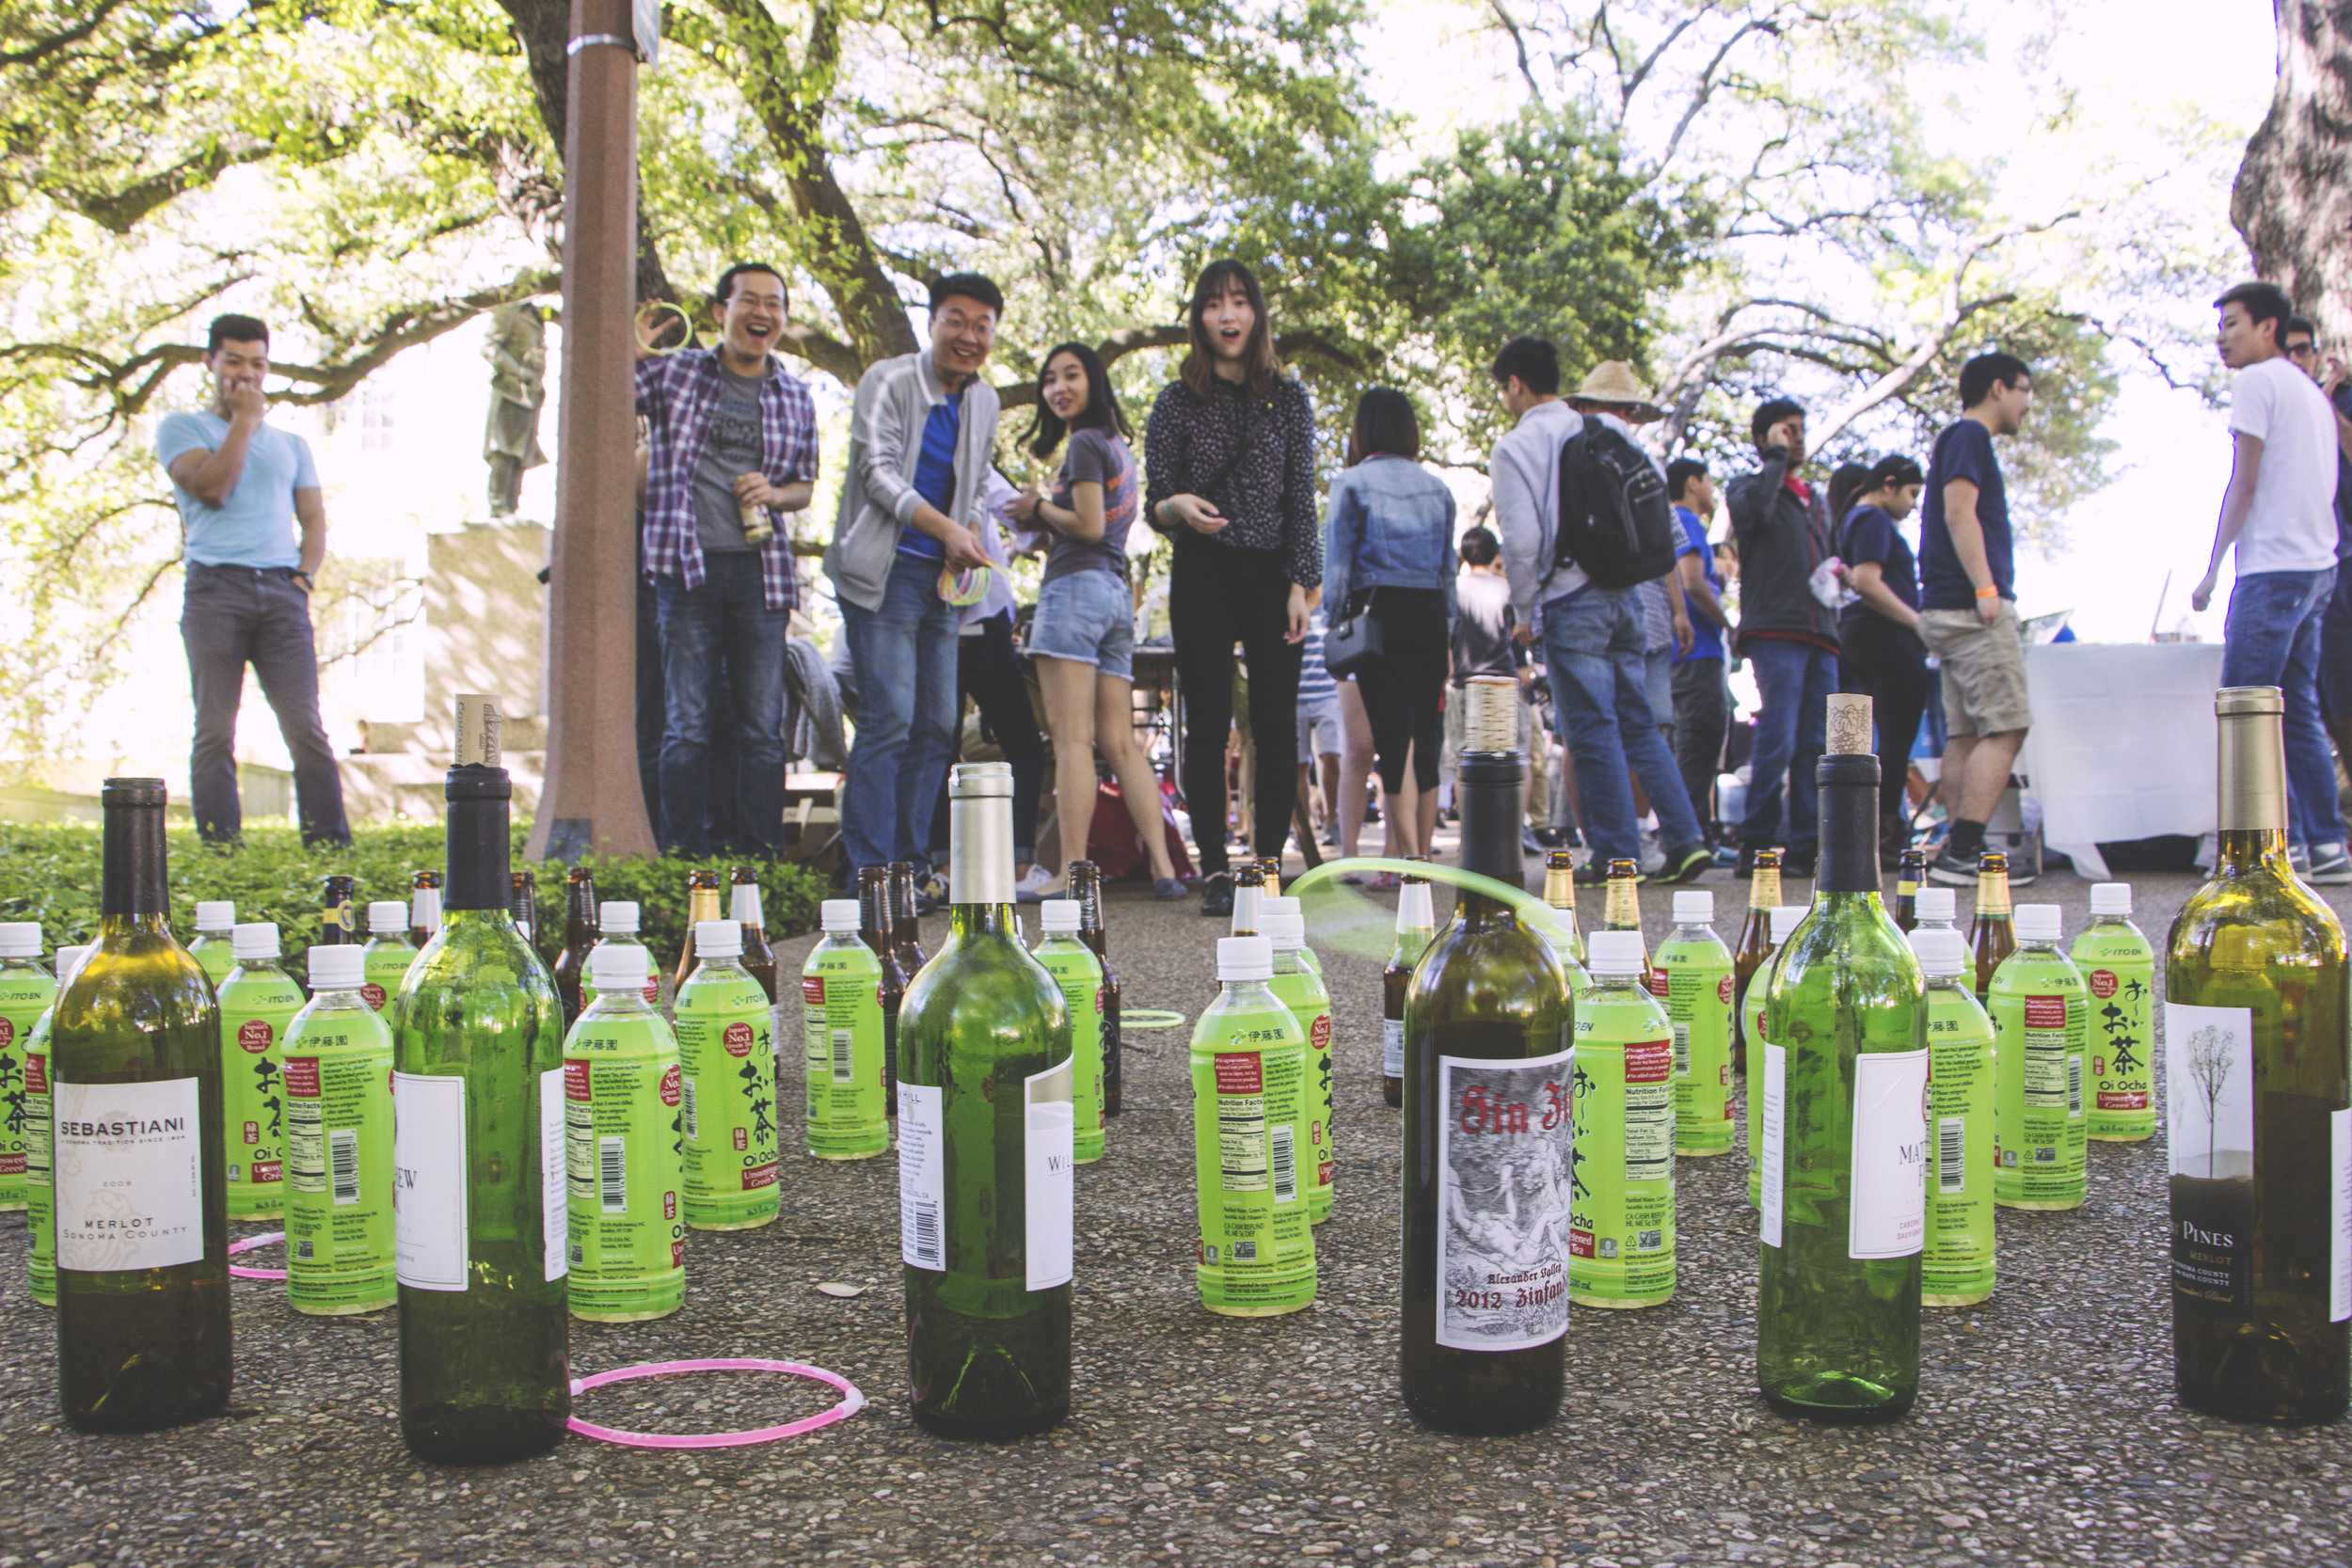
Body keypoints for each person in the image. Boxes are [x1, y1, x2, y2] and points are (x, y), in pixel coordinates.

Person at [1489, 338, 1709, 885]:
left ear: (1515, 383)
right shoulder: (1603, 429)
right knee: (1639, 725)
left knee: (1591, 731)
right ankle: (1685, 839)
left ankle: (1617, 856)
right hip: (1627, 594)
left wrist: (1523, 611)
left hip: (1570, 597)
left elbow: (1520, 541)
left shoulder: (1517, 446)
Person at [1143, 260, 1319, 915]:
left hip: (1272, 570)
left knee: (1275, 725)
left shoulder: (1289, 398)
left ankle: (1268, 865)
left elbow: (1301, 497)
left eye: (1240, 302)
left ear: (1257, 313)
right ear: (1198, 317)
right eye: (1215, 304)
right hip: (1203, 568)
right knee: (1208, 723)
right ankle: (1215, 869)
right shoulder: (1176, 400)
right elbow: (1154, 500)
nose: (1228, 316)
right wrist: (1178, 507)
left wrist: (1303, 582)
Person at [635, 261, 818, 858]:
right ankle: (682, 854)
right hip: (685, 568)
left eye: (774, 303)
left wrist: (774, 492)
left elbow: (804, 489)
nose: (762, 313)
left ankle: (759, 856)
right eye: (750, 301)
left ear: (783, 320)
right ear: (721, 312)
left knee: (762, 730)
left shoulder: (795, 394)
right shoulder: (677, 374)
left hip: (761, 576)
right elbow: (609, 388)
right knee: (685, 726)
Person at [828, 272, 1004, 895]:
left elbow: (978, 484)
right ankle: (868, 872)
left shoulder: (986, 401)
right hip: (882, 571)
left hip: (941, 579)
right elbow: (876, 472)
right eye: (956, 320)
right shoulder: (889, 379)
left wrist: (969, 535)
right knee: (890, 718)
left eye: (982, 326)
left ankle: (908, 865)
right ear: (931, 323)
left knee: (937, 725)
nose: (968, 336)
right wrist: (946, 530)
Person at [157, 313, 351, 847]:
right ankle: (222, 844)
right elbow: (213, 488)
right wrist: (243, 422)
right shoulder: (183, 429)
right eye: (235, 362)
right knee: (216, 727)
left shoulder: (291, 445)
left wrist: (305, 578)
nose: (247, 375)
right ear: (210, 362)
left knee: (305, 725)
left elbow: (312, 520)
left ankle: (327, 840)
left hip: (281, 592)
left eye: (258, 364)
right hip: (215, 590)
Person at [1013, 342, 1184, 900]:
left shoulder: (1085, 444)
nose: (1058, 387)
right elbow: (1100, 527)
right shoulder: (1117, 446)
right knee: (1121, 742)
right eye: (1049, 379)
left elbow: (1085, 525)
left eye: (1072, 375)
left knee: (1071, 742)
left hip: (1075, 592)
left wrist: (1036, 508)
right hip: (1114, 596)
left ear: (1095, 382)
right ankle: (1162, 867)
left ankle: (1072, 873)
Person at [2190, 282, 2349, 883]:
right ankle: (2323, 844)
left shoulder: (2257, 382)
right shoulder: (2309, 392)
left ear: (2268, 328)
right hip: (2319, 568)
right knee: (2298, 709)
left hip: (2274, 568)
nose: (2222, 336)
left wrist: (2211, 569)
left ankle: (2251, 851)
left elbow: (2245, 481)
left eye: (2233, 323)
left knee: (2243, 708)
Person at [1916, 352, 2035, 886]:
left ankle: (1951, 847)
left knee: (1965, 734)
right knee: (2007, 724)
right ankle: (1965, 851)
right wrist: (1986, 588)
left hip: (1947, 606)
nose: (2026, 404)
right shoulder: (1968, 437)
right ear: (1996, 389)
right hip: (1970, 607)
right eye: (2023, 390)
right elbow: (1959, 512)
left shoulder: (1956, 440)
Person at [1324, 387, 1455, 861]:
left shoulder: (1351, 483)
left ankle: (1410, 859)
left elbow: (1337, 569)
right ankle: (1420, 849)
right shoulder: (1437, 487)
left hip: (1377, 615)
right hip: (1429, 615)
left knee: (1391, 739)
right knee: (1425, 735)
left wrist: (1333, 626)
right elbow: (1448, 572)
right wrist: (1449, 632)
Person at [1724, 396, 1839, 878]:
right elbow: (1754, 518)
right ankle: (1758, 840)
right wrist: (1773, 460)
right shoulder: (1748, 488)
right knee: (1777, 735)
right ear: (1764, 438)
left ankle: (1806, 841)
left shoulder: (1817, 500)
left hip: (1820, 630)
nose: (1796, 438)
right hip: (1775, 628)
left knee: (1817, 739)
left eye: (1799, 429)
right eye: (1785, 430)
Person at [931, 467, 1046, 889]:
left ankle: (942, 867)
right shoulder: (979, 467)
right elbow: (1025, 521)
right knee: (1022, 744)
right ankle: (1017, 865)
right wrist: (1030, 526)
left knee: (939, 746)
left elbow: (1022, 522)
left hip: (937, 613)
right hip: (978, 618)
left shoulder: (920, 463)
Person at [1836, 454, 1931, 855]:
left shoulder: (1851, 521)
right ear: (1888, 485)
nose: (1912, 504)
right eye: (1911, 493)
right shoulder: (1873, 520)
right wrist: (1916, 622)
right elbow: (1866, 581)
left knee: (1859, 738)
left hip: (1860, 635)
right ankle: (1887, 833)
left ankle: (1863, 831)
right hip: (1888, 639)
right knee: (1895, 736)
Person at [2283, 316, 2352, 773]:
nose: (2296, 359)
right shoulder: (2271, 410)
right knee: (2325, 694)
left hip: (2345, 561)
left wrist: (2324, 404)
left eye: (2304, 349)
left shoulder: (2339, 400)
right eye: (2286, 350)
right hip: (2303, 571)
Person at [1665, 459, 1730, 843]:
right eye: (1707, 481)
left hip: (1688, 654)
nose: (1711, 488)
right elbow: (1692, 582)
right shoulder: (1686, 522)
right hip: (1697, 651)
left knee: (1693, 744)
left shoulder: (1678, 523)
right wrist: (1728, 623)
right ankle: (1687, 836)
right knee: (1698, 742)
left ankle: (1697, 832)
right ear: (1692, 483)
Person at [1295, 610, 1346, 847]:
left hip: (1327, 693)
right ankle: (1303, 828)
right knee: (1299, 766)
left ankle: (1332, 819)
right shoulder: (1290, 608)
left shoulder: (1329, 609)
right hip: (1296, 696)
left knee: (1331, 757)